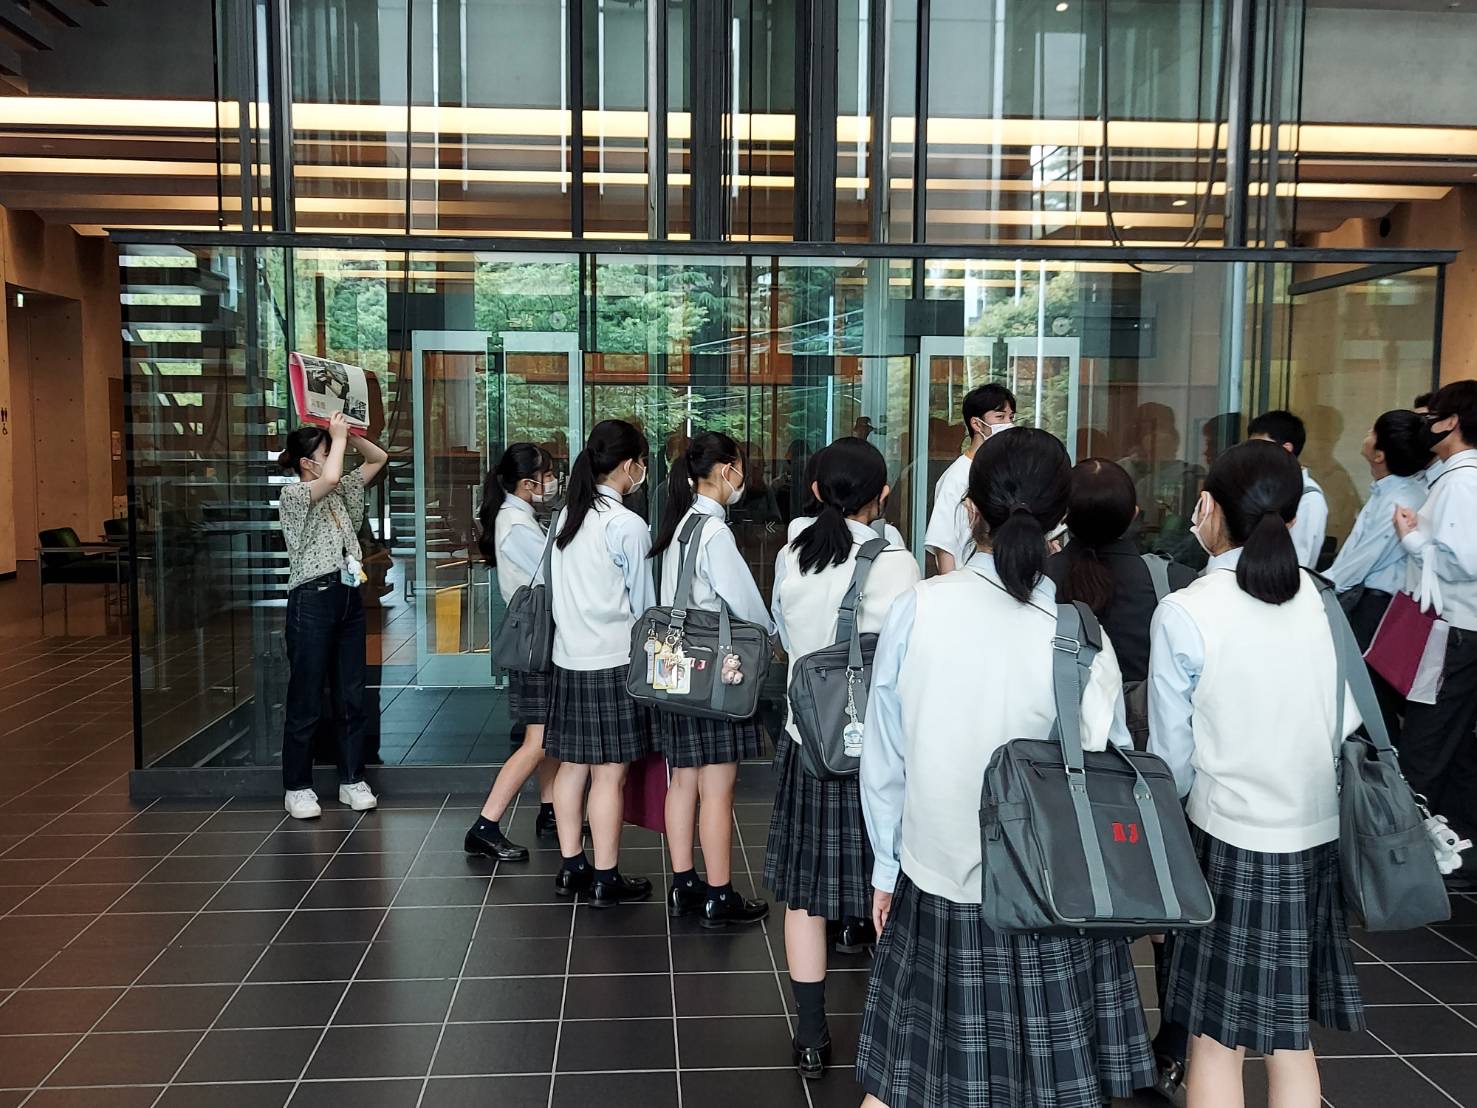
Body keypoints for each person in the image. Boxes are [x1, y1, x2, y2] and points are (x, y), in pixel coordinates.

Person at [857, 428, 1154, 1108]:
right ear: (1059, 521)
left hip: (937, 876)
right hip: (1054, 894)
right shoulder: (1079, 634)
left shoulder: (917, 609)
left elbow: (885, 755)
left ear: (970, 511)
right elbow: (1111, 768)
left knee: (909, 1079)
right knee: (1045, 1085)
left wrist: (885, 866)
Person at [1148, 439, 1365, 1108]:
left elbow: (1170, 758)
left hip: (1225, 838)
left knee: (1215, 1042)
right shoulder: (1323, 601)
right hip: (1314, 835)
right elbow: (1347, 721)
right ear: (1293, 518)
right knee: (1291, 1038)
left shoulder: (1186, 610)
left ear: (1208, 508)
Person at [1043, 455, 1197, 1100]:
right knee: (1163, 901)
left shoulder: (1042, 579)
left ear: (1063, 516)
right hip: (1152, 768)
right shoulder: (1173, 580)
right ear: (1136, 514)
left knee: (1077, 896)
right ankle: (1170, 1046)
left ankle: (1083, 1040)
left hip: (1068, 763)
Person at [765, 438, 920, 1079]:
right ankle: (893, 1031)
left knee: (806, 897)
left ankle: (810, 1035)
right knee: (891, 889)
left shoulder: (791, 554)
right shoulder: (898, 565)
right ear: (884, 494)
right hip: (879, 754)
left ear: (815, 491)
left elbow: (782, 634)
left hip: (809, 744)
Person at [647, 431, 774, 928]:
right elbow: (745, 604)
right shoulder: (715, 532)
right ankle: (720, 893)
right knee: (718, 788)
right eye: (740, 465)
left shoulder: (681, 522)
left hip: (677, 669)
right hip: (715, 674)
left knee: (682, 779)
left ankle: (684, 883)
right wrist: (773, 635)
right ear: (726, 470)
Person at [544, 419, 657, 908]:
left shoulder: (566, 516)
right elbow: (645, 604)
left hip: (568, 657)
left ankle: (572, 866)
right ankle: (606, 876)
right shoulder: (626, 524)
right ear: (629, 465)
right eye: (642, 463)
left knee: (572, 767)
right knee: (610, 775)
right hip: (613, 661)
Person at [276, 412, 389, 820]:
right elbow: (329, 477)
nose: (333, 456)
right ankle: (297, 787)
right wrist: (337, 437)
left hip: (347, 596)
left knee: (351, 694)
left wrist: (351, 434)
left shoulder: (341, 490)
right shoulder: (293, 494)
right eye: (325, 452)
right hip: (312, 599)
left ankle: (352, 778)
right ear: (307, 462)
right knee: (306, 697)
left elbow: (378, 458)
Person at [1393, 380, 1477, 891]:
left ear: (1451, 422)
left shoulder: (1463, 481)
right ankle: (1456, 852)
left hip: (1453, 632)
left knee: (1426, 741)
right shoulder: (1456, 478)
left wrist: (1412, 538)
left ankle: (1414, 861)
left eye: (1433, 416)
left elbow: (1463, 561)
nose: (1426, 425)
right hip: (1457, 630)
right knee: (1452, 744)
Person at [463, 444, 564, 862]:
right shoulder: (517, 523)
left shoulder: (518, 516)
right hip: (535, 639)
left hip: (535, 636)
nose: (553, 482)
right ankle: (485, 826)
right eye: (548, 474)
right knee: (537, 740)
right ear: (527, 483)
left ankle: (551, 810)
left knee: (548, 733)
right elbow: (554, 574)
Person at [1325, 411, 1431, 737]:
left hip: (1376, 608)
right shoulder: (1392, 491)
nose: (1365, 435)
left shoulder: (1399, 499)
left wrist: (1320, 586)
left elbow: (1360, 562)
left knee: (1368, 698)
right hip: (1375, 603)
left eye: (1372, 431)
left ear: (1380, 454)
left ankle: (1383, 762)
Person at [922, 383, 1015, 574]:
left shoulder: (1008, 469)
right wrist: (950, 585)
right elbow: (943, 543)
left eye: (1011, 417)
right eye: (1000, 417)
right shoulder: (957, 476)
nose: (1008, 424)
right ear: (976, 424)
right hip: (966, 578)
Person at [1248, 409, 1327, 569]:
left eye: (1259, 446)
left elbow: (1298, 561)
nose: (1251, 454)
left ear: (1286, 449)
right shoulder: (1264, 488)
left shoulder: (1308, 497)